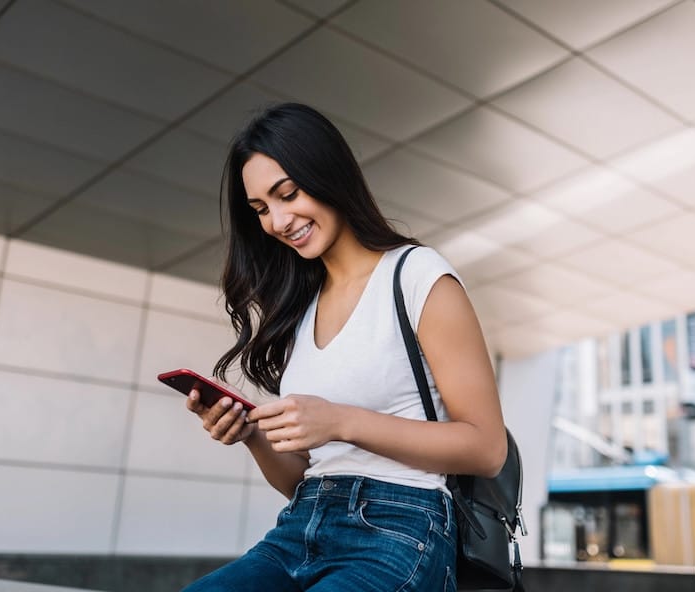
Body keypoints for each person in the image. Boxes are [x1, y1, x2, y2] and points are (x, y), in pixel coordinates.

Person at [181, 103, 506, 592]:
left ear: (327, 174)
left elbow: (486, 448)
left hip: (401, 530)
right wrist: (251, 433)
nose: (277, 221)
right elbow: (301, 480)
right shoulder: (299, 308)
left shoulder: (417, 276)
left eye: (287, 194)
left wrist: (340, 420)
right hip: (302, 525)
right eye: (261, 209)